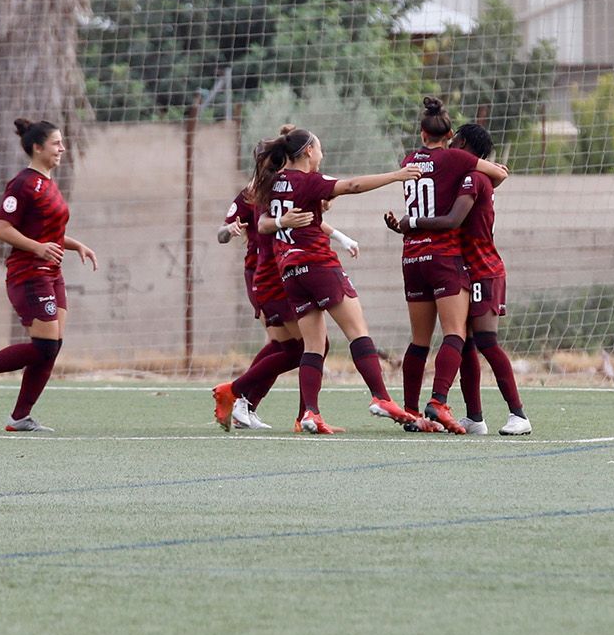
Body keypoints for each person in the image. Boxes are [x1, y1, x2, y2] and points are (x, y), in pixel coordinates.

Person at [257, 125, 422, 434]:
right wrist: (395, 176)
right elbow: (353, 186)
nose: (323, 154)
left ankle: (310, 413)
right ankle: (381, 398)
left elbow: (265, 223)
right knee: (358, 331)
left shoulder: (275, 182)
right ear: (308, 151)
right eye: (320, 148)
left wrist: (288, 219)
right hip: (318, 265)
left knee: (314, 345)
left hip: (290, 271)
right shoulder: (308, 181)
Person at [385, 123, 530, 435]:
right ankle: (475, 417)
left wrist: (412, 222)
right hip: (463, 267)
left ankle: (518, 414)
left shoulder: (473, 177)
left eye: (455, 142)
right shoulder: (466, 176)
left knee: (487, 341)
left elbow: (452, 220)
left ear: (461, 142)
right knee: (465, 345)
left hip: (484, 269)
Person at [0, 118, 97, 432]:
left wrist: (75, 245)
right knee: (43, 346)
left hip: (52, 273)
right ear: (37, 147)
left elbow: (49, 233)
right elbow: (2, 229)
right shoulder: (22, 184)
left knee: (53, 345)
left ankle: (19, 417)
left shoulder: (48, 183)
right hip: (28, 274)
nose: (62, 148)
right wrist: (38, 248)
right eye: (56, 143)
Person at [211, 141, 357, 431]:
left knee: (293, 345)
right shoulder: (255, 193)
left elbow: (309, 220)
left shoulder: (282, 187)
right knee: (302, 346)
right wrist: (230, 229)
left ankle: (254, 403)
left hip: (283, 272)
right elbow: (222, 233)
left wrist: (341, 236)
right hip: (266, 276)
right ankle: (245, 397)